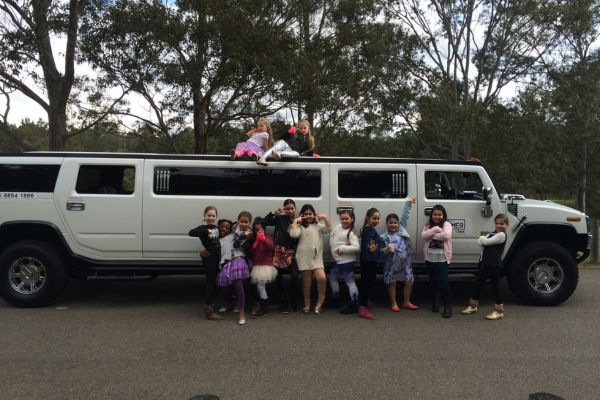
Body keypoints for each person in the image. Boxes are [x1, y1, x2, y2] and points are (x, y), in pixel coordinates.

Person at [462, 214, 509, 320]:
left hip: (494, 265)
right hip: (485, 263)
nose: (499, 225)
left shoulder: (501, 235)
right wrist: (483, 239)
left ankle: (499, 310)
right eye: (497, 223)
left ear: (507, 225)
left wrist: (483, 238)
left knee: (495, 287)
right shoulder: (493, 233)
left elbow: (485, 241)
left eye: (502, 223)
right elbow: (479, 242)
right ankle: (472, 305)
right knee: (478, 284)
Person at [289, 204, 331, 314]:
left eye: (310, 214)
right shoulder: (299, 226)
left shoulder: (318, 225)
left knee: (322, 278)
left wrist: (325, 217)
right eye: (306, 214)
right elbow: (293, 235)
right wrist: (295, 222)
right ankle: (307, 303)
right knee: (306, 282)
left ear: (314, 214)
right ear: (302, 215)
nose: (308, 216)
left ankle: (320, 302)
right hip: (303, 257)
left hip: (316, 258)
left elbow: (328, 229)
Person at [380, 197, 418, 312]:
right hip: (392, 264)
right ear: (386, 224)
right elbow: (380, 252)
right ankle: (394, 303)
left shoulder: (401, 230)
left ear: (398, 224)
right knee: (392, 283)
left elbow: (405, 216)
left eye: (395, 222)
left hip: (405, 262)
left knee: (409, 281)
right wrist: (387, 249)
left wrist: (409, 203)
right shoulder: (384, 237)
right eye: (390, 223)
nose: (393, 225)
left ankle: (406, 302)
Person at [263, 199, 299, 313]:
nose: (289, 210)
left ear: (295, 209)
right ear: (284, 209)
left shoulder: (298, 220)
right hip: (279, 251)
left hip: (292, 252)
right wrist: (274, 213)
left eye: (291, 208)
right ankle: (283, 301)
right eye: (287, 208)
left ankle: (292, 299)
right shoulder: (279, 218)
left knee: (294, 275)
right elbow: (265, 223)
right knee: (279, 276)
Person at [188, 206, 223, 321]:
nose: (211, 217)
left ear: (216, 217)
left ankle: (211, 305)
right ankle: (208, 311)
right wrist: (205, 231)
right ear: (204, 216)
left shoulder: (215, 227)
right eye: (209, 215)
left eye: (213, 216)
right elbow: (191, 232)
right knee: (210, 282)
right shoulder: (203, 227)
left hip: (216, 258)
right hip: (209, 260)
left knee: (214, 283)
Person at [217, 211, 252, 325]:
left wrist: (245, 233)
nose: (224, 229)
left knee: (238, 286)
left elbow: (239, 241)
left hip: (237, 260)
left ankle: (241, 312)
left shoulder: (235, 235)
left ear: (231, 228)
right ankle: (230, 303)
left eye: (227, 227)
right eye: (222, 227)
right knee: (225, 287)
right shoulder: (218, 240)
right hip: (225, 264)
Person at [421, 204, 453, 318]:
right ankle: (435, 302)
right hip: (430, 258)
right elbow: (423, 236)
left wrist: (431, 234)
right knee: (433, 281)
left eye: (439, 214)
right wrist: (435, 229)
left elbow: (446, 235)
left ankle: (448, 306)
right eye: (435, 214)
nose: (437, 217)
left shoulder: (447, 224)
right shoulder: (428, 225)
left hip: (443, 258)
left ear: (443, 215)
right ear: (432, 215)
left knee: (443, 282)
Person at [328, 209, 360, 314]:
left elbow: (356, 248)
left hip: (346, 261)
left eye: (347, 219)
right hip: (338, 261)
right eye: (342, 219)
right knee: (332, 277)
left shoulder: (351, 233)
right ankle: (335, 300)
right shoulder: (338, 227)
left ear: (352, 219)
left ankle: (354, 304)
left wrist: (342, 248)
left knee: (350, 282)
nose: (344, 221)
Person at [247, 217, 278, 318]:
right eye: (256, 230)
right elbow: (252, 252)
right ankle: (263, 306)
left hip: (265, 266)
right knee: (259, 287)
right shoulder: (254, 239)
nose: (258, 231)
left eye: (260, 229)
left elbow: (271, 247)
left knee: (260, 287)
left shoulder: (268, 237)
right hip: (257, 265)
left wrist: (263, 239)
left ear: (264, 228)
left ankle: (264, 309)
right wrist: (255, 242)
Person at [358, 207, 381, 320]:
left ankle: (366, 301)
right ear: (368, 218)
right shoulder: (368, 231)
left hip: (369, 259)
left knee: (369, 281)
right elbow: (368, 245)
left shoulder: (367, 228)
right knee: (366, 282)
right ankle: (363, 307)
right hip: (368, 260)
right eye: (374, 218)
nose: (376, 220)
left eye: (378, 218)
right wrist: (371, 250)